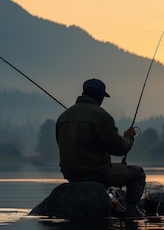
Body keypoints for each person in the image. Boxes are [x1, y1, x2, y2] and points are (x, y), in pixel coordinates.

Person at [56, 78, 146, 217]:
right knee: (138, 173)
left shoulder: (63, 116)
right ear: (100, 96)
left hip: (71, 174)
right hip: (96, 173)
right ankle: (131, 211)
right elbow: (119, 148)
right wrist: (129, 137)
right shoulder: (102, 116)